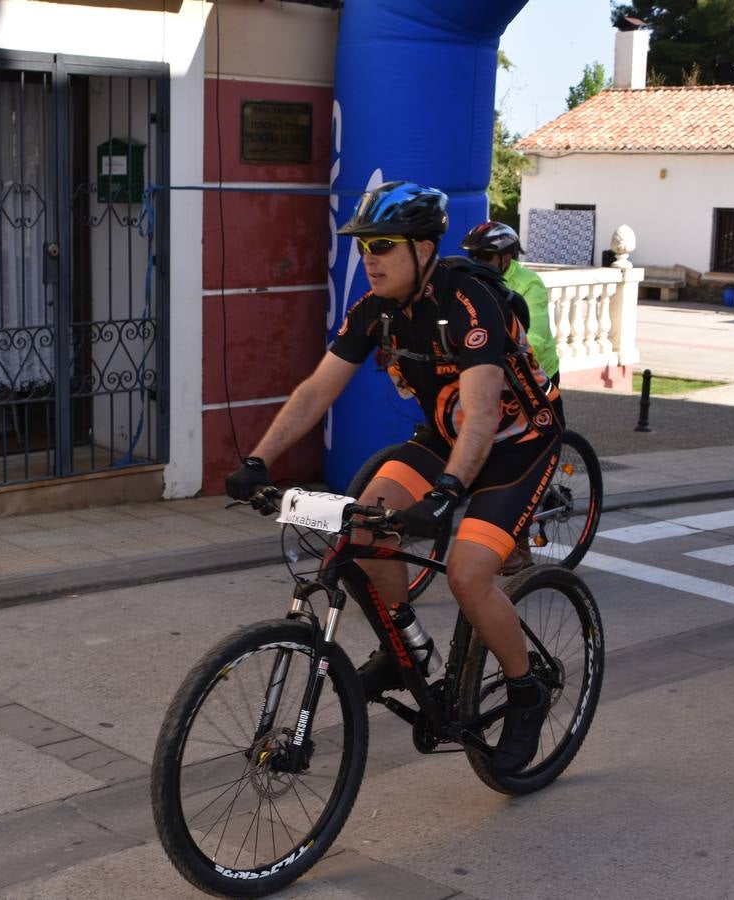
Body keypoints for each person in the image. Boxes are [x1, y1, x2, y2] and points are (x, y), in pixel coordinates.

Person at [224, 181, 563, 775]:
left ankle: (526, 689)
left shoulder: (470, 301)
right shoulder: (377, 308)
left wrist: (448, 494)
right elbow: (317, 390)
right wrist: (259, 461)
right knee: (363, 521)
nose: (369, 258)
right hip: (445, 435)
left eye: (383, 244)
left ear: (425, 248)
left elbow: (484, 413)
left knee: (467, 574)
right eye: (362, 247)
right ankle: (405, 642)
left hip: (517, 444)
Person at [460, 220, 563, 576]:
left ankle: (517, 546)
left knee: (516, 455)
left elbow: (537, 338)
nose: (478, 261)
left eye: (486, 256)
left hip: (536, 379)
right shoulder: (469, 281)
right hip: (493, 374)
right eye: (473, 255)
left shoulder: (527, 284)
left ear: (506, 259)